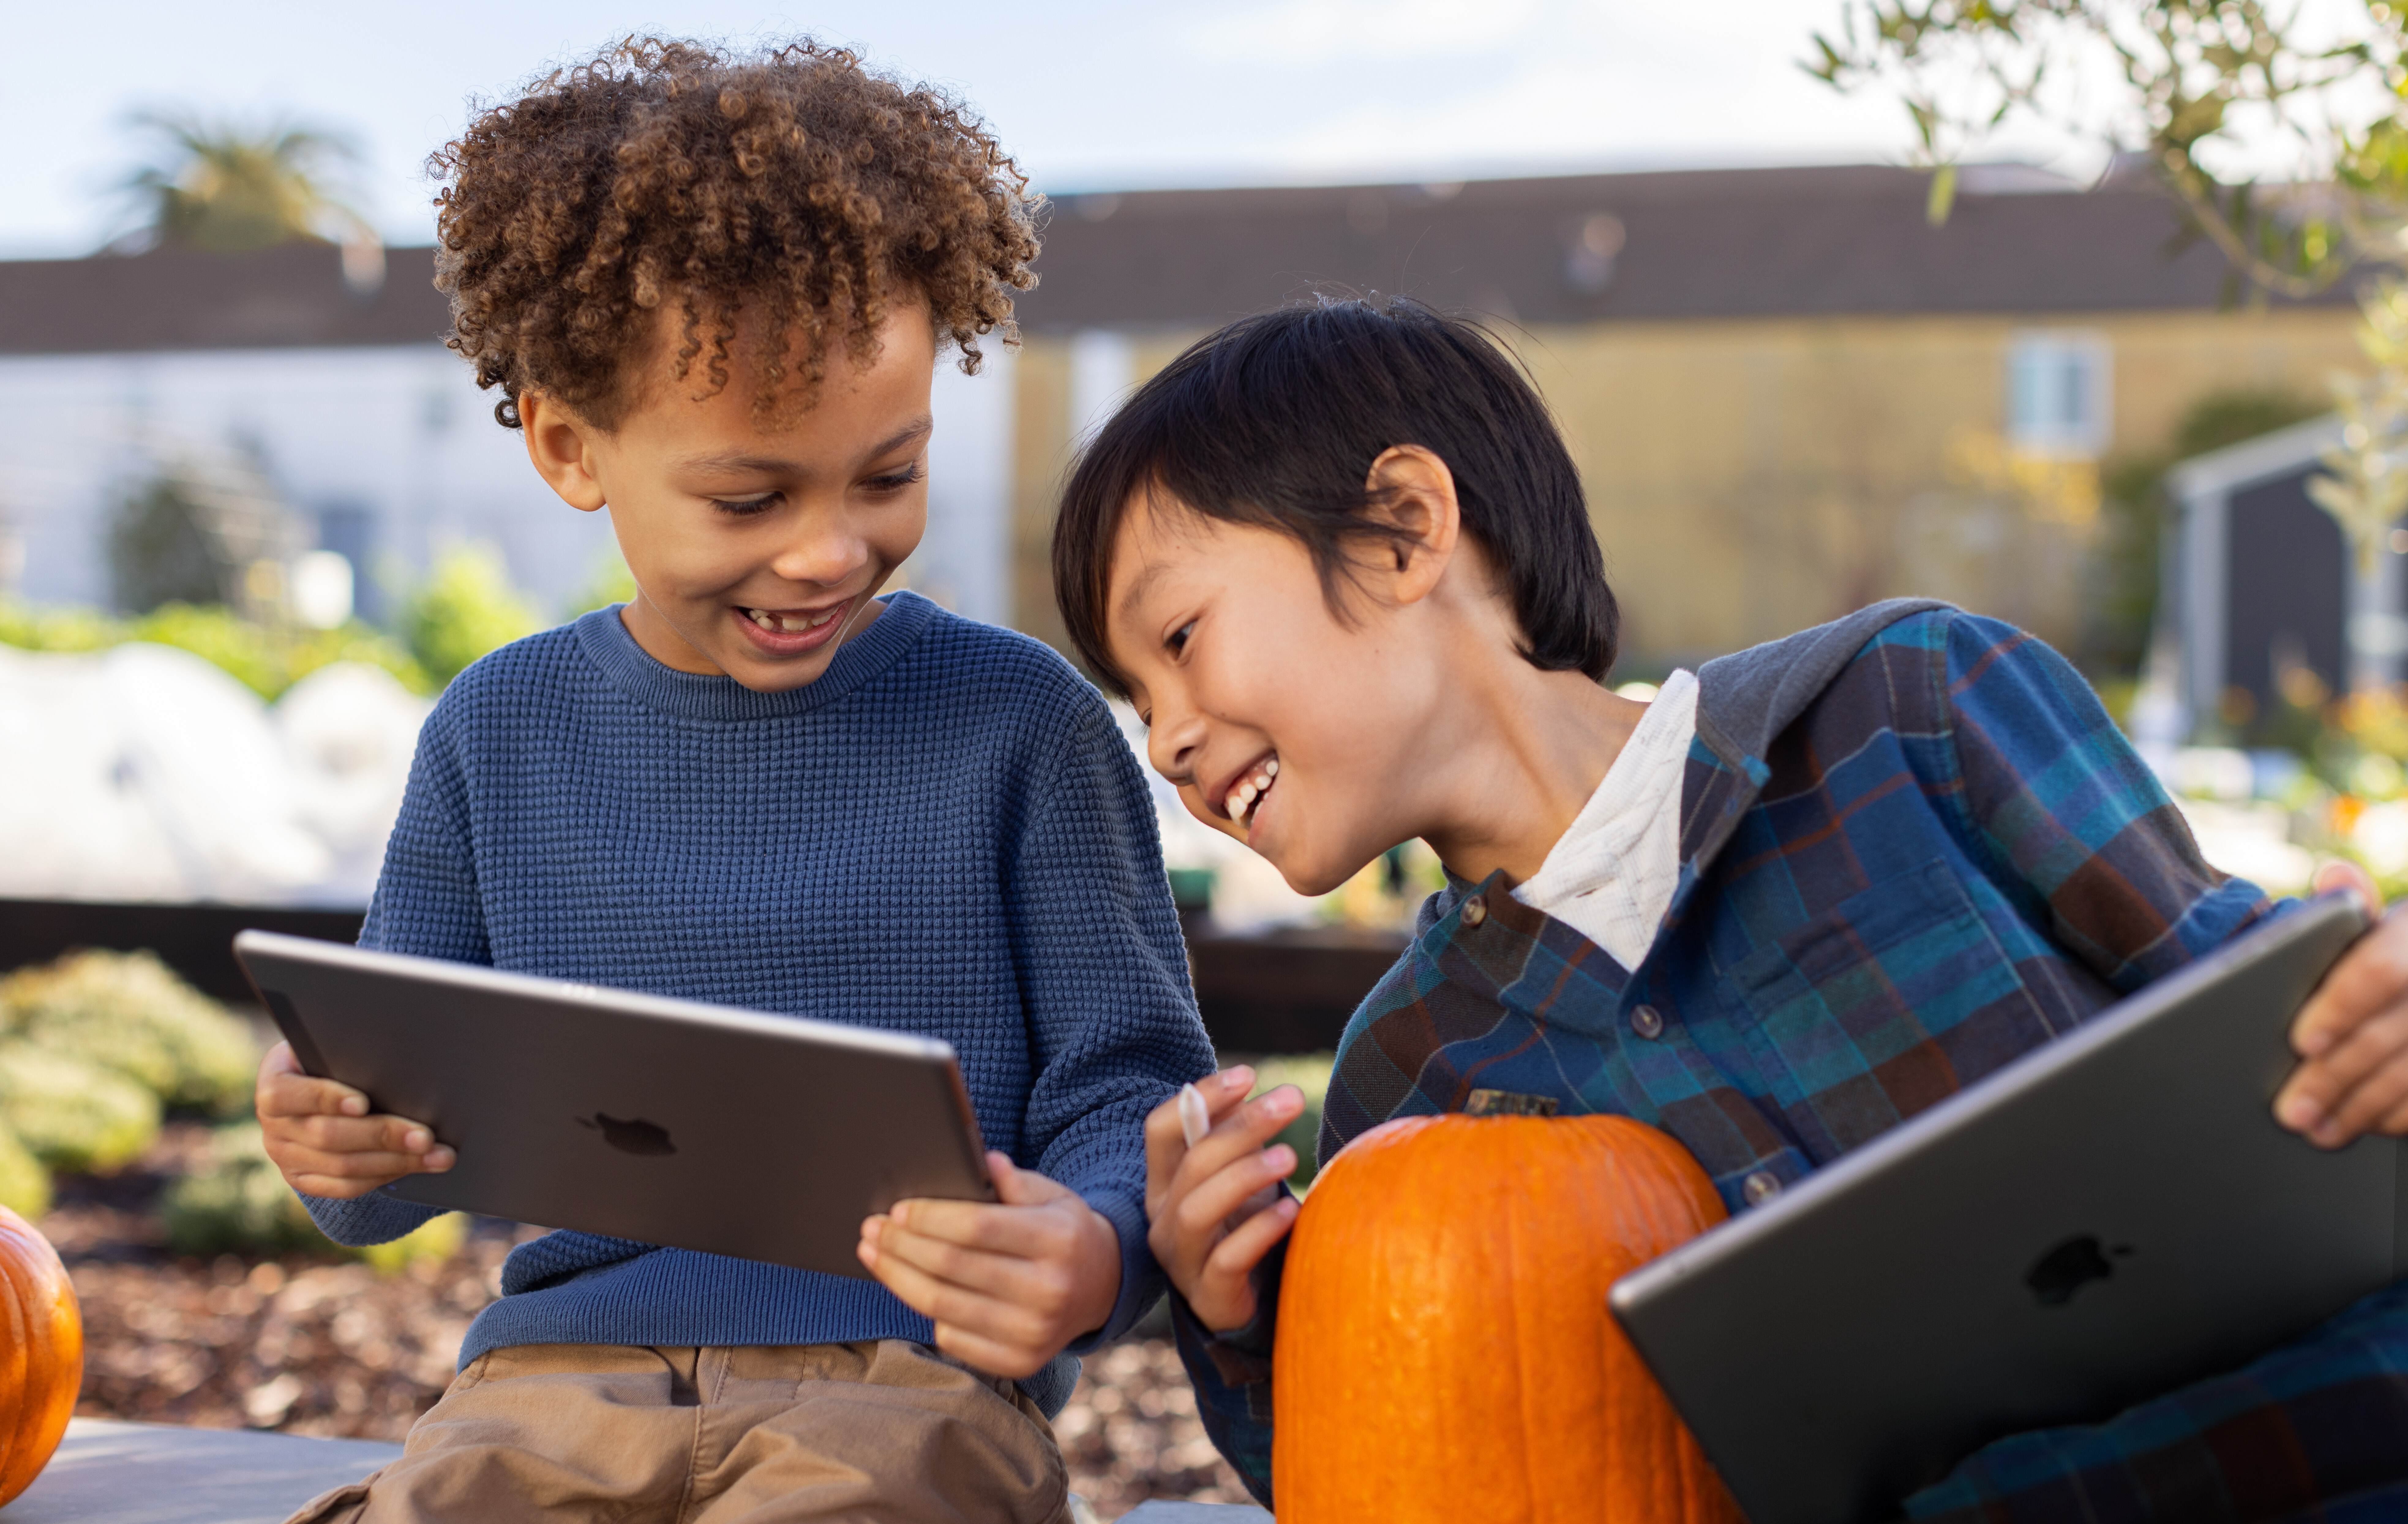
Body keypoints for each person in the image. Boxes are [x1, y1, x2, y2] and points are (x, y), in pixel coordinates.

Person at [1049, 294, 2408, 1517]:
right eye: (1138, 701)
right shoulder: (1410, 1081)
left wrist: (2376, 1000)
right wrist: (1227, 1309)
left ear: (1404, 531)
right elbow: (1396, 1472)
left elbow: (2295, 1039)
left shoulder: (1912, 710)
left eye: (1177, 643)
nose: (1165, 738)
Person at [252, 39, 1213, 1524]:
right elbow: (384, 1149)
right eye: (751, 496)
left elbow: (1130, 1085)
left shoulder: (1019, 726)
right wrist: (332, 1133)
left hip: (906, 1382)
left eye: (886, 477)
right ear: (572, 447)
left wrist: (1089, 1250)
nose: (829, 549)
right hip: (555, 1381)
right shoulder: (494, 734)